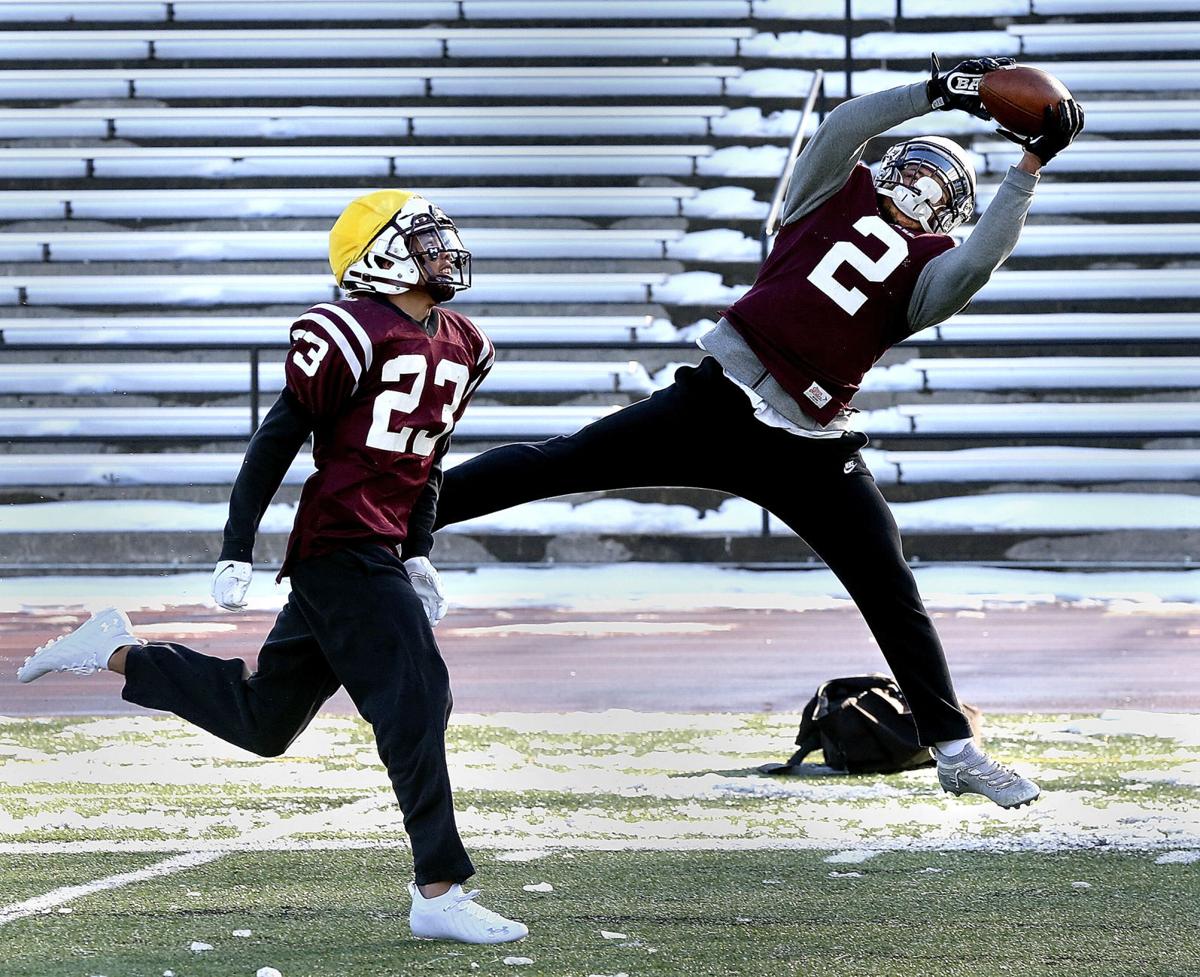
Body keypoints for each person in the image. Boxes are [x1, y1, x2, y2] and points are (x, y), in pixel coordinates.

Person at [430, 57, 1085, 809]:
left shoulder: (932, 267)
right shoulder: (828, 192)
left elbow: (980, 261)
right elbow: (843, 126)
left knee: (889, 584)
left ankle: (957, 750)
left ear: (950, 214)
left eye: (940, 191)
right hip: (721, 397)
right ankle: (402, 515)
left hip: (810, 441)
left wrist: (1028, 167)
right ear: (892, 163)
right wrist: (937, 90)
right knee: (563, 460)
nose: (921, 191)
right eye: (918, 171)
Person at [17, 190, 528, 944]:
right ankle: (439, 889)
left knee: (265, 720)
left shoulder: (464, 341)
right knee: (418, 696)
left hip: (375, 546)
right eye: (425, 239)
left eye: (442, 237)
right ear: (379, 256)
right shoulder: (351, 329)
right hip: (338, 546)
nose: (444, 251)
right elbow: (278, 436)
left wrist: (416, 549)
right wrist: (237, 542)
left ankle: (118, 650)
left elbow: (429, 459)